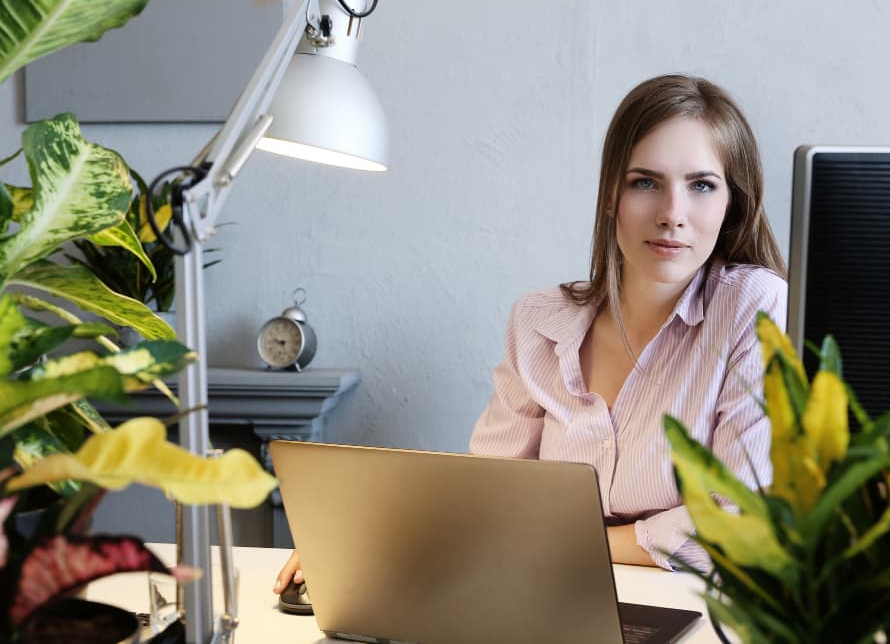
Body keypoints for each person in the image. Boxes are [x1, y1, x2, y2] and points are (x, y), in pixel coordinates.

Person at [274, 73, 786, 593]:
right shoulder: (540, 321)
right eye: (645, 183)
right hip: (548, 598)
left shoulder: (756, 305)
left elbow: (738, 521)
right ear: (612, 194)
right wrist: (367, 539)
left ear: (732, 203)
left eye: (701, 185)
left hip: (696, 609)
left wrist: (555, 543)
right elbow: (490, 490)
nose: (673, 214)